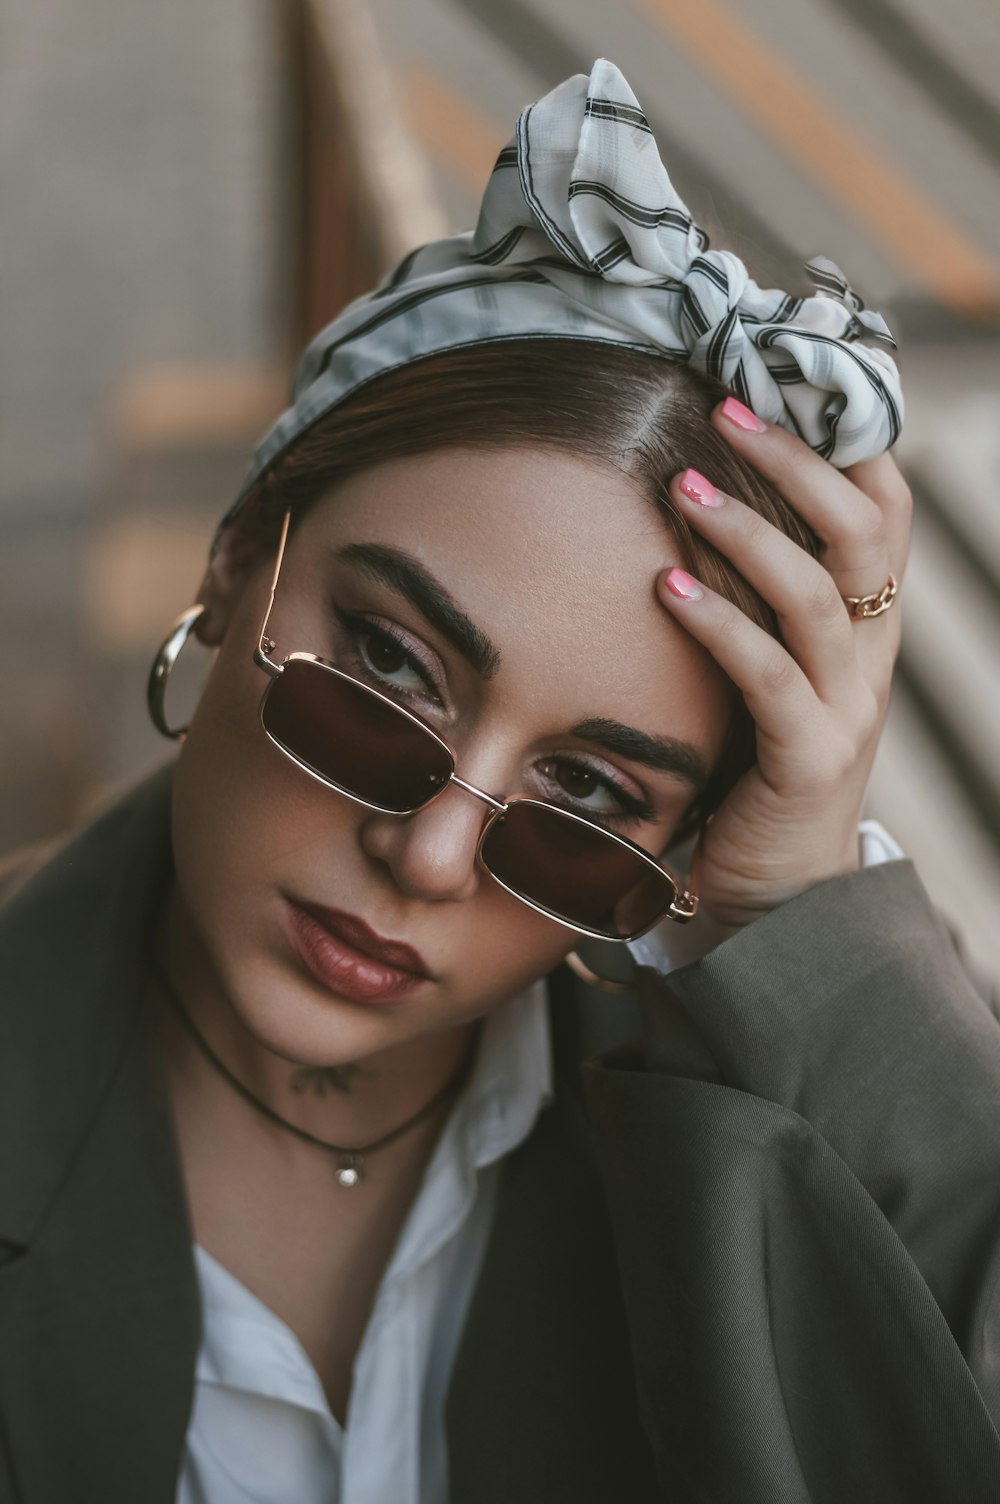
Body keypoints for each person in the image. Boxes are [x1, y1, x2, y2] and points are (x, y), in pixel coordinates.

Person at [1, 57, 998, 1504]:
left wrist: (807, 923)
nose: (431, 859)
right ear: (234, 559)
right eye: (390, 677)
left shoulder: (730, 1153)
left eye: (587, 801)